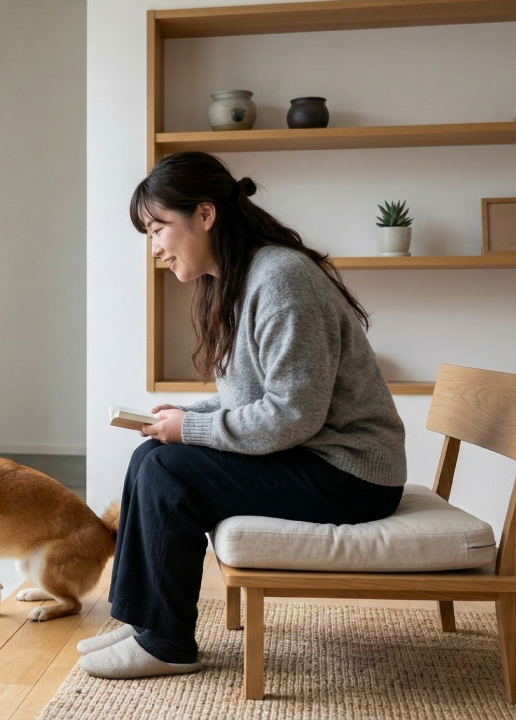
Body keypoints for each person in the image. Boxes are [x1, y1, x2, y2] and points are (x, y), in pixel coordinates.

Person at [76, 152, 408, 680]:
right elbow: (253, 399)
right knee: (151, 455)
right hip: (315, 456)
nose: (155, 248)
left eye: (158, 228)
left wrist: (190, 428)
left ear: (204, 215)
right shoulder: (238, 279)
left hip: (352, 473)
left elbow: (293, 415)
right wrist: (186, 416)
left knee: (167, 470)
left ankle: (167, 643)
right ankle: (146, 622)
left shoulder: (280, 279)